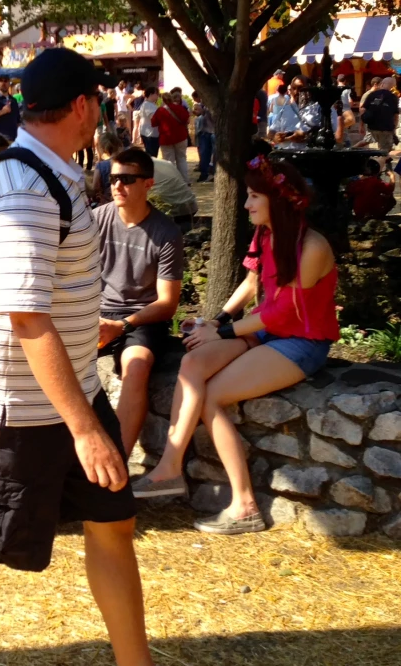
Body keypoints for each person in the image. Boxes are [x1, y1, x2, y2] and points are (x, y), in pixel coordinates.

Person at [0, 48, 225, 666]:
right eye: (101, 102)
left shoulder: (52, 174)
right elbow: (26, 318)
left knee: (113, 522)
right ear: (83, 106)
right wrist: (86, 427)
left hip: (66, 395)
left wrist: (85, 410)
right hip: (5, 405)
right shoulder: (24, 186)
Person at [133, 155, 339, 532]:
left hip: (301, 341)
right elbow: (249, 285)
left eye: (253, 196)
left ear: (278, 199)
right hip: (265, 331)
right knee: (191, 364)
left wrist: (223, 333)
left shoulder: (312, 248)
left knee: (211, 397)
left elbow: (281, 313)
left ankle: (244, 505)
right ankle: (170, 468)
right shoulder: (266, 234)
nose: (246, 205)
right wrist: (217, 321)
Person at [88, 149, 183, 485]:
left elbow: (167, 303)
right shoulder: (96, 218)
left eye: (127, 179)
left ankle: (117, 468)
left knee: (138, 365)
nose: (118, 186)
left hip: (141, 319)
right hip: (98, 313)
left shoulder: (165, 232)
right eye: (113, 178)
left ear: (148, 184)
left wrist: (123, 325)